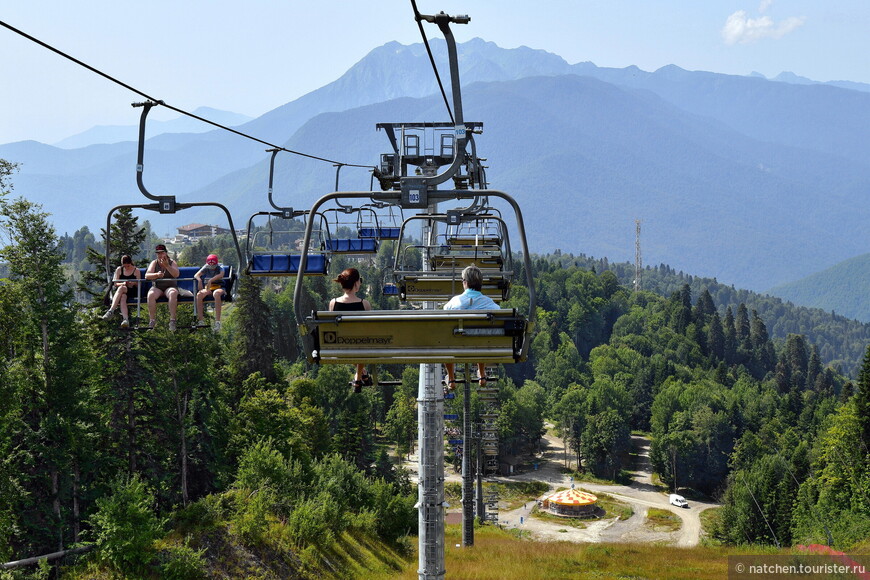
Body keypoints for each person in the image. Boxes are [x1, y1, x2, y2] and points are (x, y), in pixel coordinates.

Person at [443, 264, 499, 390]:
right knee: (480, 336)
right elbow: (498, 314)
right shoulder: (489, 303)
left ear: (465, 283)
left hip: (455, 346)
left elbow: (444, 313)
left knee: (447, 338)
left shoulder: (454, 302)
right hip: (479, 345)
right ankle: (481, 372)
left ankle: (451, 377)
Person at [329, 267, 372, 392]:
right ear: (356, 283)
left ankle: (360, 374)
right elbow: (369, 330)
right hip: (361, 345)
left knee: (351, 344)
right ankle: (359, 375)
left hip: (340, 345)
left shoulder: (333, 303)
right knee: (361, 343)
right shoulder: (365, 304)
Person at [145, 243, 180, 331]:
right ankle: (152, 320)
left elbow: (176, 274)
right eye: (158, 253)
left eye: (162, 253)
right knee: (151, 295)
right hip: (158, 287)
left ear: (165, 253)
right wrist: (156, 275)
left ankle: (172, 320)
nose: (160, 255)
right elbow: (147, 276)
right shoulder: (154, 263)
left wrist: (167, 266)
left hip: (170, 286)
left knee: (173, 293)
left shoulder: (172, 262)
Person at [102, 254, 141, 328]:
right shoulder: (119, 269)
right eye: (124, 266)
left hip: (132, 290)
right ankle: (125, 319)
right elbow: (115, 283)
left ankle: (111, 310)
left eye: (128, 266)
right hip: (123, 290)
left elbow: (138, 284)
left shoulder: (136, 270)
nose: (126, 268)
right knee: (123, 296)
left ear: (131, 263)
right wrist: (123, 283)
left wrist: (132, 283)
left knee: (121, 288)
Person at [194, 254, 225, 331]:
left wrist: (211, 280)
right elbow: (196, 275)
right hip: (209, 287)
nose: (211, 268)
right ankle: (201, 320)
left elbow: (221, 275)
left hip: (219, 287)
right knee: (199, 295)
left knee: (216, 294)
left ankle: (217, 321)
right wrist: (199, 280)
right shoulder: (206, 267)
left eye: (213, 266)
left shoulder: (220, 267)